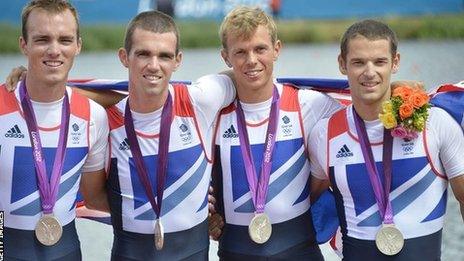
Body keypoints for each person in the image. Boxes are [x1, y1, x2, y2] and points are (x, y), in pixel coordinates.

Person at [308, 19, 464, 260]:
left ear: (396, 62)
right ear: (342, 64)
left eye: (379, 61)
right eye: (358, 62)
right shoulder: (324, 134)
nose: (369, 72)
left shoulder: (435, 123)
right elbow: (298, 203)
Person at [210, 6, 342, 260]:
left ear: (277, 49)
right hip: (235, 251)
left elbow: (366, 114)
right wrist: (204, 214)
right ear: (226, 57)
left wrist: (395, 89)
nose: (251, 60)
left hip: (300, 251)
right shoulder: (212, 112)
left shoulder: (309, 104)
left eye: (260, 49)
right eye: (240, 52)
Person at [104, 11, 235, 260]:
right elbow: (95, 196)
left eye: (164, 56)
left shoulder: (200, 100)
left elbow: (247, 76)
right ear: (124, 57)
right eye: (143, 54)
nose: (154, 65)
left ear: (177, 60)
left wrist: (197, 200)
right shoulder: (104, 120)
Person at [0, 0, 109, 260]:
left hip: (66, 250)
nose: (54, 50)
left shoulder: (93, 115)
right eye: (42, 40)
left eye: (65, 40)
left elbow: (95, 198)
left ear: (78, 45)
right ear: (23, 44)